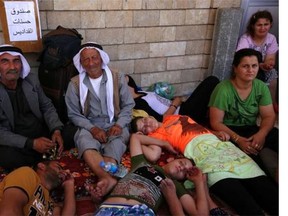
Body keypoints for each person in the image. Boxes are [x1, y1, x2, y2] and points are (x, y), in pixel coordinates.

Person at [130, 114, 278, 215]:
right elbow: (153, 155)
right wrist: (140, 136)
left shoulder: (173, 117)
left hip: (223, 148)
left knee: (271, 196)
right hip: (204, 157)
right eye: (144, 128)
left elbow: (199, 127)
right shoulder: (155, 135)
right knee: (249, 207)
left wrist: (215, 132)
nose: (147, 124)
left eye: (144, 120)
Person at [85, 127, 228, 216]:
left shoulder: (174, 185)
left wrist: (198, 182)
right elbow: (135, 137)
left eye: (184, 172)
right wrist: (164, 143)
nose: (183, 168)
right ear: (170, 159)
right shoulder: (141, 163)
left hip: (139, 211)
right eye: (182, 163)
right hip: (108, 208)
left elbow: (200, 213)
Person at [65, 42, 135, 197]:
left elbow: (128, 106)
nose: (91, 63)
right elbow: (74, 114)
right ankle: (106, 177)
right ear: (81, 63)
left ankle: (106, 179)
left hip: (115, 122)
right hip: (89, 125)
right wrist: (92, 128)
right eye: (86, 60)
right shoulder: (75, 84)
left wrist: (119, 124)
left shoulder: (117, 77)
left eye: (94, 58)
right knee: (84, 140)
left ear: (101, 59)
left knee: (116, 141)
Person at [208, 48, 278, 181]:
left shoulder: (261, 87)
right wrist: (238, 139)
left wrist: (261, 134)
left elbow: (269, 116)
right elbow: (216, 122)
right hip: (229, 131)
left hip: (251, 129)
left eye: (254, 66)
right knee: (250, 161)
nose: (250, 70)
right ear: (235, 68)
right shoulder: (223, 89)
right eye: (245, 66)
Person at [0, 44, 66, 170]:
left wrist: (56, 130)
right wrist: (32, 143)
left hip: (40, 132)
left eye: (16, 61)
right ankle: (38, 162)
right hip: (17, 142)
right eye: (5, 62)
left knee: (71, 132)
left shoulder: (31, 80)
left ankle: (40, 157)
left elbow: (46, 106)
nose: (12, 67)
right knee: (8, 158)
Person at [126, 74, 219, 126]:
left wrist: (174, 101)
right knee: (212, 81)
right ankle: (213, 121)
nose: (126, 78)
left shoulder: (140, 91)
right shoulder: (138, 103)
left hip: (181, 106)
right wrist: (174, 104)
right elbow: (161, 119)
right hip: (182, 115)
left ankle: (210, 117)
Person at [236, 10, 278, 110]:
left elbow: (271, 57)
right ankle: (252, 105)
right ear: (253, 26)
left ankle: (272, 103)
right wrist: (258, 65)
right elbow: (242, 58)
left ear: (270, 25)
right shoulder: (246, 38)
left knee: (272, 76)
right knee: (252, 76)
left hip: (262, 67)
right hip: (248, 67)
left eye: (266, 24)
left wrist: (269, 64)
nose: (263, 28)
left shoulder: (271, 38)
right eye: (259, 25)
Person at [0, 160, 75, 215]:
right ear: (42, 166)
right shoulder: (28, 173)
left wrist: (69, 185)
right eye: (59, 167)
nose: (65, 171)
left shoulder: (52, 203)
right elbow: (9, 211)